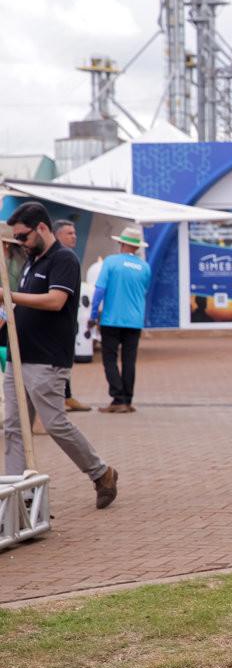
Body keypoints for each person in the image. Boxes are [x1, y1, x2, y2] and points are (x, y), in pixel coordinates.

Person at [3, 202, 118, 508]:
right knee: (14, 428)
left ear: (42, 228)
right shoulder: (30, 260)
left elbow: (55, 301)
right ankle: (18, 497)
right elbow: (18, 306)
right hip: (18, 355)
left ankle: (101, 472)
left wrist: (8, 295)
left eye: (23, 236)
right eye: (16, 239)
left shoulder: (63, 259)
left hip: (47, 358)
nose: (21, 244)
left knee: (55, 423)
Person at [89, 225, 152, 414]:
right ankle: (127, 399)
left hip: (111, 319)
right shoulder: (144, 267)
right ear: (137, 247)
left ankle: (117, 398)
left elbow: (99, 290)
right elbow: (145, 290)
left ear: (122, 243)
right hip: (134, 320)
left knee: (109, 359)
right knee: (129, 360)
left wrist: (93, 315)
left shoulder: (111, 262)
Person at [51, 219, 90, 413]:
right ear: (56, 235)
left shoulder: (69, 256)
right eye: (69, 233)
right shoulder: (56, 258)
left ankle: (67, 396)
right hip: (54, 323)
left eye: (74, 233)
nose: (74, 236)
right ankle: (61, 399)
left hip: (68, 321)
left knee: (66, 360)